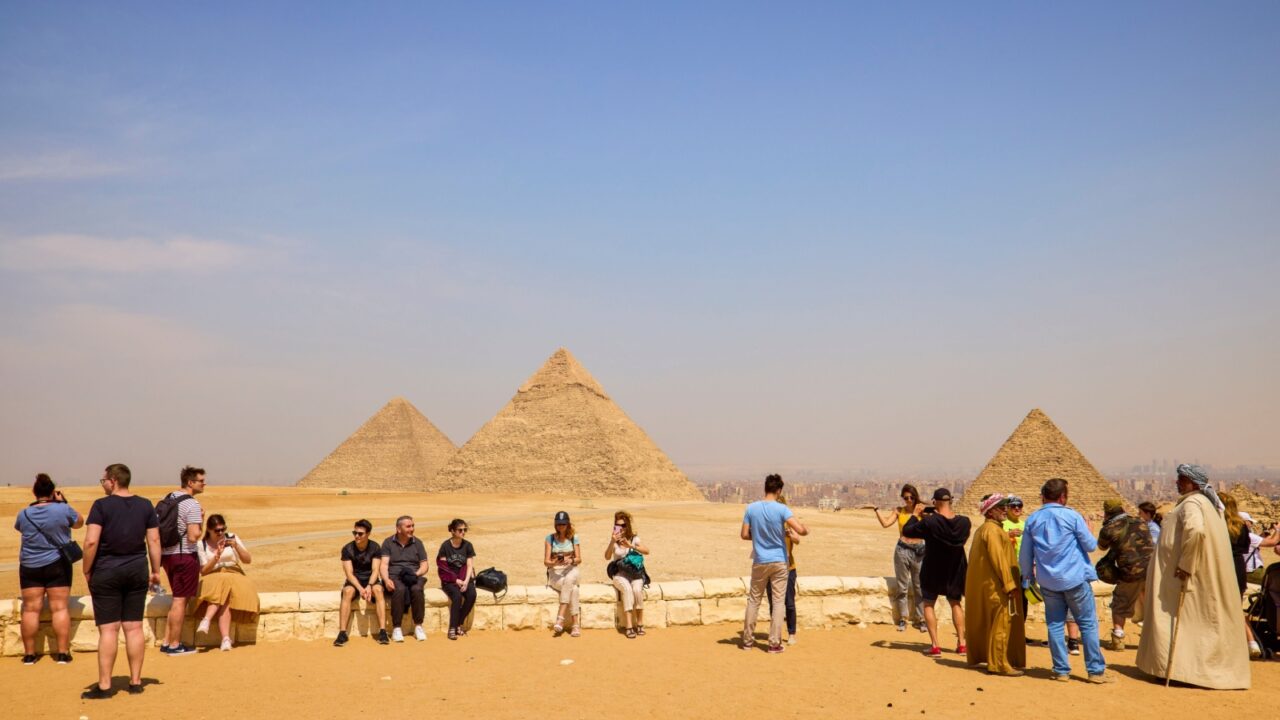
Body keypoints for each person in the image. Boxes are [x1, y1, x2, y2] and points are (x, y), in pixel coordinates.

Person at [1136, 464, 1250, 689]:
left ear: (1194, 483)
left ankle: (1181, 671)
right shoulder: (1204, 504)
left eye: (1182, 479)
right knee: (1191, 624)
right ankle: (1178, 669)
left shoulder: (1193, 504)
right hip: (1188, 576)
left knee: (1183, 622)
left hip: (1186, 578)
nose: (1177, 482)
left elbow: (1195, 531)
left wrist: (1186, 565)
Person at [1019, 478, 1114, 683]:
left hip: (1048, 582)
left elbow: (1024, 555)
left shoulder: (1033, 520)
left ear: (1043, 496)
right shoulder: (1072, 516)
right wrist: (1088, 531)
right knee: (1087, 624)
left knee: (1054, 624)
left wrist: (1027, 577)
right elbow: (1090, 546)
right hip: (1075, 579)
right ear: (1063, 496)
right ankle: (1095, 671)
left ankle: (1061, 670)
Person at [81, 463, 161, 699]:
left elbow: (91, 542)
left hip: (107, 569)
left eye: (104, 480)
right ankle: (135, 682)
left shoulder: (101, 506)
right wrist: (155, 570)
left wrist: (87, 569)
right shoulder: (145, 505)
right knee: (134, 626)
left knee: (109, 629)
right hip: (137, 568)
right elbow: (154, 541)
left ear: (113, 480)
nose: (103, 483)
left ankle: (105, 686)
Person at [14, 473, 84, 665]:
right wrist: (63, 502)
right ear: (53, 492)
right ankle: (62, 652)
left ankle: (29, 654)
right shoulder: (62, 510)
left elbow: (19, 528)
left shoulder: (24, 513)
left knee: (30, 610)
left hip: (29, 564)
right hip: (57, 563)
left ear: (34, 492)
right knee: (59, 608)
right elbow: (79, 522)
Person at [740, 474, 809, 653]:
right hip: (779, 561)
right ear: (779, 491)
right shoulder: (782, 509)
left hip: (759, 560)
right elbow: (800, 530)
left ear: (765, 488)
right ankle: (774, 643)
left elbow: (744, 535)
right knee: (779, 602)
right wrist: (805, 529)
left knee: (753, 600)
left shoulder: (751, 508)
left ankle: (747, 641)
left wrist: (760, 537)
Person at [901, 488, 971, 658]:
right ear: (951, 501)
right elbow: (958, 537)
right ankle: (962, 644)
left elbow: (907, 531)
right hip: (956, 568)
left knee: (928, 604)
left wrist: (916, 515)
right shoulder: (965, 522)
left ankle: (935, 646)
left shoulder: (930, 523)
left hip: (933, 568)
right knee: (956, 604)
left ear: (935, 503)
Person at [964, 494, 1025, 676]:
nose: (1005, 510)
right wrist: (1009, 584)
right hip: (998, 587)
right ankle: (999, 664)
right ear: (990, 511)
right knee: (1002, 624)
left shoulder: (990, 529)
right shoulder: (991, 530)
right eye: (1002, 507)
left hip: (991, 586)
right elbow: (999, 559)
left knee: (995, 625)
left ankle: (996, 661)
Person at [1095, 498, 1153, 652]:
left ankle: (1118, 638)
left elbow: (1101, 546)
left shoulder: (1109, 529)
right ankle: (1154, 641)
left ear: (1107, 512)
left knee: (1120, 605)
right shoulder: (1140, 521)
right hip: (1152, 570)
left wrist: (1106, 525)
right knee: (1153, 606)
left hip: (1130, 573)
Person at [159, 465, 205, 656]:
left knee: (177, 598)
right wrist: (202, 519)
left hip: (167, 556)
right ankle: (175, 645)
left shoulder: (169, 498)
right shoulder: (192, 504)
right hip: (185, 555)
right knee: (180, 600)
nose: (204, 484)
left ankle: (167, 641)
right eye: (201, 481)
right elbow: (194, 536)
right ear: (190, 482)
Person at [195, 515, 259, 651]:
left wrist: (236, 546)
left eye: (222, 529)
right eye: (217, 531)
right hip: (213, 575)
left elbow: (248, 560)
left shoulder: (232, 537)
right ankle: (225, 639)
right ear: (209, 530)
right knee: (223, 586)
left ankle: (207, 620)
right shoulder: (202, 544)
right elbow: (204, 571)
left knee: (225, 584)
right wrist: (216, 557)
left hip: (233, 572)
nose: (220, 533)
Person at [874, 484, 925, 632]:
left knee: (919, 586)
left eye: (911, 497)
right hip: (902, 550)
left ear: (915, 496)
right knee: (902, 587)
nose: (909, 500)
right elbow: (885, 524)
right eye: (906, 498)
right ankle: (903, 618)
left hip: (919, 551)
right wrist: (876, 510)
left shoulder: (923, 511)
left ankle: (921, 619)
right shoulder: (898, 511)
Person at [1221, 495, 1263, 659]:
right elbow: (1245, 549)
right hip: (1239, 567)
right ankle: (1246, 643)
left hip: (1222, 565)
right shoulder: (1241, 526)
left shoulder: (1218, 524)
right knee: (1235, 606)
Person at [335, 519, 388, 646]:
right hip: (354, 580)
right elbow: (349, 573)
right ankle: (342, 633)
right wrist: (360, 588)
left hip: (371, 579)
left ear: (368, 534)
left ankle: (383, 631)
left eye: (360, 533)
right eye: (355, 533)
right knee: (347, 592)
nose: (356, 536)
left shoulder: (375, 547)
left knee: (378, 590)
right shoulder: (347, 549)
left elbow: (375, 570)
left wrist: (369, 586)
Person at [380, 515, 429, 642]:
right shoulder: (388, 542)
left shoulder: (417, 543)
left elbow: (425, 565)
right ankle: (397, 628)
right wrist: (386, 580)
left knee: (417, 589)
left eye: (413, 526)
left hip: (414, 575)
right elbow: (384, 565)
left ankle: (418, 626)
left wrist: (415, 574)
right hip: (395, 576)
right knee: (399, 589)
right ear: (398, 528)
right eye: (408, 526)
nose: (412, 529)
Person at [605, 510, 649, 639]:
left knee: (636, 590)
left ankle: (640, 623)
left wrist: (631, 546)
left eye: (624, 525)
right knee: (627, 589)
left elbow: (647, 551)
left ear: (628, 525)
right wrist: (612, 542)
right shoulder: (615, 541)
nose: (621, 528)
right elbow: (607, 557)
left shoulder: (634, 539)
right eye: (618, 525)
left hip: (635, 573)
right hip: (619, 574)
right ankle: (629, 626)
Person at [767, 493, 801, 645]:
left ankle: (792, 633)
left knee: (789, 602)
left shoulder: (789, 525)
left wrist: (789, 534)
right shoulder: (768, 526)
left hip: (788, 568)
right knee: (773, 603)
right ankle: (776, 632)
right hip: (771, 566)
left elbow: (797, 539)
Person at [438, 518, 476, 641]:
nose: (463, 532)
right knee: (457, 596)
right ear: (453, 531)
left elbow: (470, 565)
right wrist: (456, 581)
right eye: (460, 530)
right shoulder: (445, 546)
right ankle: (452, 628)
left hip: (464, 578)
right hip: (449, 580)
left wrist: (465, 581)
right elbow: (443, 568)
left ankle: (458, 623)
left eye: (465, 529)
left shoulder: (468, 545)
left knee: (471, 594)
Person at [545, 511, 582, 637]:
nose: (561, 526)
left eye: (563, 524)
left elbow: (579, 559)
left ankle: (560, 617)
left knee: (570, 579)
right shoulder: (549, 538)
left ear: (568, 524)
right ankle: (575, 625)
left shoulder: (574, 537)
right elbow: (546, 562)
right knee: (574, 589)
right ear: (555, 524)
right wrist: (554, 562)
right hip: (555, 573)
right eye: (559, 524)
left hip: (571, 570)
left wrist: (570, 560)